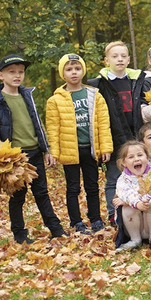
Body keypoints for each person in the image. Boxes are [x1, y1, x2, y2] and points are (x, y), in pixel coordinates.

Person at [0, 53, 64, 241]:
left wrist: (46, 149)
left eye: (20, 72)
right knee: (18, 197)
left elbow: (38, 124)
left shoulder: (27, 96)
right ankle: (19, 235)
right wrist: (6, 158)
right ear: (1, 75)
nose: (17, 75)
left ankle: (56, 230)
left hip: (35, 152)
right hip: (15, 158)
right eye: (11, 72)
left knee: (42, 192)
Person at [40, 53, 108, 235]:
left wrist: (105, 147)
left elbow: (103, 123)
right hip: (70, 151)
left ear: (83, 71)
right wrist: (53, 153)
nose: (74, 72)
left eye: (77, 68)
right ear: (62, 73)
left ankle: (96, 219)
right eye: (69, 69)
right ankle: (76, 221)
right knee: (73, 188)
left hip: (90, 149)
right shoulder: (55, 100)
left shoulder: (94, 95)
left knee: (92, 186)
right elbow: (53, 129)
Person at [113, 138, 151, 248]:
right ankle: (135, 240)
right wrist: (136, 203)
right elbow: (126, 193)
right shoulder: (123, 179)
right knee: (128, 207)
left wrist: (146, 201)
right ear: (124, 162)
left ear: (147, 158)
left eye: (140, 155)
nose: (136, 159)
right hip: (132, 226)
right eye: (131, 157)